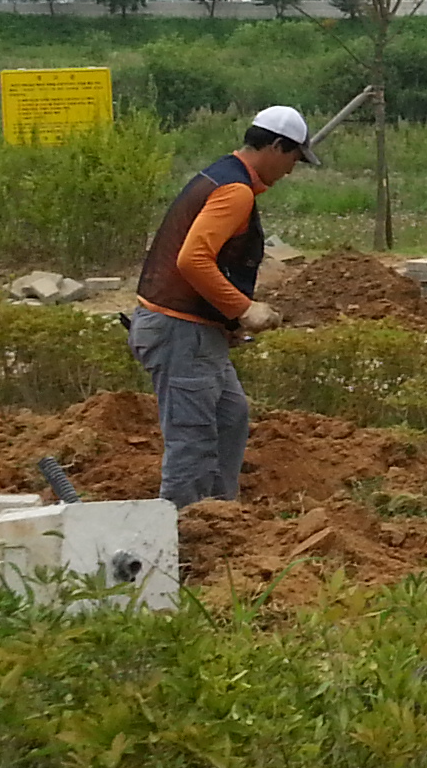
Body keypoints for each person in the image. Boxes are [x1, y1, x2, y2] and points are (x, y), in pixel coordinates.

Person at [129, 106, 315, 508]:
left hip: (195, 330)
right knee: (192, 441)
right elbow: (192, 259)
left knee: (230, 420)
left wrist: (227, 320)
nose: (291, 170)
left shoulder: (222, 175)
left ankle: (220, 519)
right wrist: (244, 308)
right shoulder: (235, 191)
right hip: (180, 332)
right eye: (294, 158)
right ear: (277, 146)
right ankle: (183, 537)